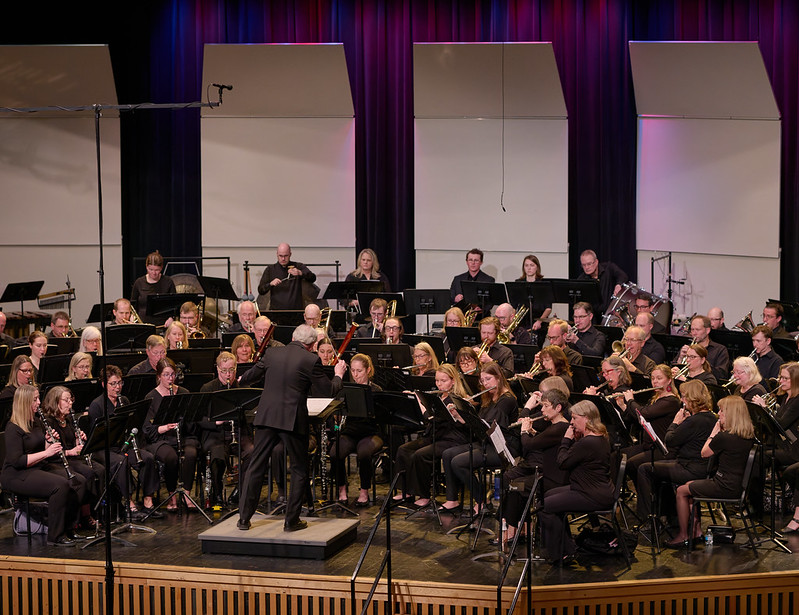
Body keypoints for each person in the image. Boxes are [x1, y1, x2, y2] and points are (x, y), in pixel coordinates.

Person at [238, 324, 347, 532]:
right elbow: (328, 390)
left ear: (293, 337)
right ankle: (291, 521)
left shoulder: (272, 353)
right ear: (312, 345)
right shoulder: (310, 359)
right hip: (292, 420)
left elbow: (248, 378)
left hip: (266, 416)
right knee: (299, 468)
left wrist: (240, 378)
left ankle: (244, 519)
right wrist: (338, 374)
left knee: (256, 466)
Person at [1, 385, 86, 546]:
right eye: (35, 400)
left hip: (37, 467)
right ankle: (55, 536)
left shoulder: (37, 421)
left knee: (78, 481)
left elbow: (40, 449)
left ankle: (70, 528)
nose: (39, 403)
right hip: (16, 475)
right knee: (60, 486)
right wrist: (47, 453)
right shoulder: (13, 427)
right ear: (25, 402)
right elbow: (17, 461)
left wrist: (48, 443)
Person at [668, 396, 755, 547]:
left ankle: (683, 535)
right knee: (690, 484)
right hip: (737, 485)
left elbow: (704, 453)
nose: (719, 413)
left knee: (681, 490)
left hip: (724, 486)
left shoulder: (724, 437)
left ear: (731, 414)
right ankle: (695, 532)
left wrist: (714, 432)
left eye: (722, 411)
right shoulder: (748, 435)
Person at [538, 400, 615, 566]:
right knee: (549, 495)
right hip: (594, 489)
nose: (571, 422)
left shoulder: (588, 442)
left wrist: (566, 440)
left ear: (586, 419)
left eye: (574, 418)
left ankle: (562, 553)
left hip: (592, 494)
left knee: (545, 506)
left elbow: (563, 462)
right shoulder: (598, 437)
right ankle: (567, 548)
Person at [440, 362, 519, 515]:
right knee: (447, 454)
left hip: (504, 447)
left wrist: (469, 411)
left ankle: (482, 500)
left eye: (488, 379)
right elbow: (478, 423)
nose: (485, 383)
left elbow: (488, 425)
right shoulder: (488, 397)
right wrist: (460, 415)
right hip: (486, 442)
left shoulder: (507, 400)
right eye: (482, 380)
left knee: (459, 463)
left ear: (498, 378)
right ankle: (452, 499)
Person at [635, 379, 717, 521]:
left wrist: (675, 422)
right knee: (659, 470)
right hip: (701, 467)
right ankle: (670, 515)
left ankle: (647, 518)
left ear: (692, 398)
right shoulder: (711, 417)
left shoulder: (694, 421)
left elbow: (670, 440)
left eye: (684, 396)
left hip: (690, 469)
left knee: (644, 469)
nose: (682, 400)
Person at [86, 365, 162, 517]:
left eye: (120, 383)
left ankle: (148, 501)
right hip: (103, 449)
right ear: (104, 385)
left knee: (147, 458)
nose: (117, 387)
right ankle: (129, 503)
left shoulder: (124, 400)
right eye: (113, 384)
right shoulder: (97, 405)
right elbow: (95, 436)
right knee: (121, 462)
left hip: (123, 445)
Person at [394, 364, 471, 508]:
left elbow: (431, 418)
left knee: (421, 455)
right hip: (437, 435)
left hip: (453, 439)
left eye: (443, 381)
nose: (439, 384)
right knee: (404, 449)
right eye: (437, 381)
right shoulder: (440, 396)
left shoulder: (457, 399)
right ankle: (406, 491)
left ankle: (424, 496)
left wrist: (420, 404)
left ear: (453, 381)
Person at [501, 388, 571, 546]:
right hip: (547, 474)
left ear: (558, 408)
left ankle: (514, 528)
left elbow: (529, 445)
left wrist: (524, 430)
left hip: (551, 479)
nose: (542, 410)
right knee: (514, 485)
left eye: (545, 406)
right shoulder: (555, 426)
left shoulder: (559, 427)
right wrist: (532, 431)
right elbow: (543, 441)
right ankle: (517, 527)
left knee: (515, 487)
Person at [41, 385, 105, 530]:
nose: (70, 403)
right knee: (87, 473)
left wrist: (79, 441)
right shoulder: (48, 422)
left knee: (100, 469)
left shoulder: (69, 419)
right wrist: (71, 451)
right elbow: (54, 451)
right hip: (57, 461)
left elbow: (72, 443)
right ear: (55, 402)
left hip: (72, 458)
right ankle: (84, 515)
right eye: (66, 400)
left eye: (71, 400)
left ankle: (98, 512)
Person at [142, 357, 198, 511]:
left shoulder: (183, 392)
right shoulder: (151, 397)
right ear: (159, 376)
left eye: (172, 375)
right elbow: (147, 429)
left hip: (182, 436)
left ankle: (186, 494)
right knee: (171, 457)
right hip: (160, 439)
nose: (170, 378)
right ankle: (172, 496)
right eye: (166, 375)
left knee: (191, 454)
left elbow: (192, 422)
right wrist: (165, 427)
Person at [198, 352, 253, 507]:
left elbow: (251, 416)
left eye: (231, 370)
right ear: (217, 369)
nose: (228, 375)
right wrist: (215, 422)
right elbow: (198, 419)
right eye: (224, 371)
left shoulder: (243, 387)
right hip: (216, 434)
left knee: (253, 452)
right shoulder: (208, 388)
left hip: (238, 432)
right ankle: (217, 492)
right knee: (217, 456)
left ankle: (239, 491)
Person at [330, 353, 381, 507]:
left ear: (368, 370)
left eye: (359, 371)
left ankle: (364, 491)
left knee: (364, 453)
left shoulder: (376, 390)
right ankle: (342, 489)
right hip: (350, 432)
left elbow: (381, 417)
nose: (355, 374)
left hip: (371, 432)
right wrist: (337, 419)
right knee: (335, 452)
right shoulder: (346, 389)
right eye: (352, 370)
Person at [617, 365, 681, 483]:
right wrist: (623, 406)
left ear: (669, 380)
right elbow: (639, 419)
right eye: (653, 378)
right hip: (648, 446)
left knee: (631, 464)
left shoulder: (671, 401)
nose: (655, 382)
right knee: (617, 456)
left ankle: (647, 493)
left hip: (663, 449)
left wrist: (630, 400)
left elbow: (644, 413)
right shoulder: (655, 398)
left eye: (659, 378)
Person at [753, 363, 799, 470]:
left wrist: (764, 407)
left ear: (796, 380)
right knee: (752, 450)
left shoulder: (797, 400)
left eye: (785, 378)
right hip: (781, 444)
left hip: (793, 449)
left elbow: (781, 424)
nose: (780, 381)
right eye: (780, 377)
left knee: (758, 458)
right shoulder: (785, 398)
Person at [257, 243, 316, 310]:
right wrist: (270, 284)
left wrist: (300, 273)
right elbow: (261, 290)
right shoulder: (270, 269)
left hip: (296, 312)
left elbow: (313, 278)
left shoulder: (298, 266)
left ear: (290, 254)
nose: (283, 258)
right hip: (276, 312)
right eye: (280, 256)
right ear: (277, 254)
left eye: (286, 256)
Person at [576, 250, 628, 318]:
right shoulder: (581, 279)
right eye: (584, 265)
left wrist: (618, 285)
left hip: (611, 314)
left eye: (589, 264)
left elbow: (623, 276)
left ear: (596, 262)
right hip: (593, 317)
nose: (586, 267)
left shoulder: (608, 268)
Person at [676, 315, 729, 381]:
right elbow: (674, 370)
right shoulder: (688, 348)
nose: (694, 333)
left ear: (707, 330)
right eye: (692, 329)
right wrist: (680, 358)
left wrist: (700, 366)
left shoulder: (720, 350)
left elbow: (722, 374)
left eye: (698, 330)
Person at [130, 250, 176, 319]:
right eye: (151, 269)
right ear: (146, 266)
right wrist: (132, 316)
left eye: (157, 270)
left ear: (161, 268)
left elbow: (174, 305)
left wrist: (171, 318)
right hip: (143, 323)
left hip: (163, 322)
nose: (154, 273)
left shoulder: (168, 282)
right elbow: (133, 305)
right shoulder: (139, 282)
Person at [516, 254, 551, 331]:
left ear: (537, 267)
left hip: (539, 322)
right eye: (526, 265)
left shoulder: (543, 284)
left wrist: (539, 321)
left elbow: (548, 308)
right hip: (522, 322)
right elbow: (514, 305)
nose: (529, 268)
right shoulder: (518, 283)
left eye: (532, 265)